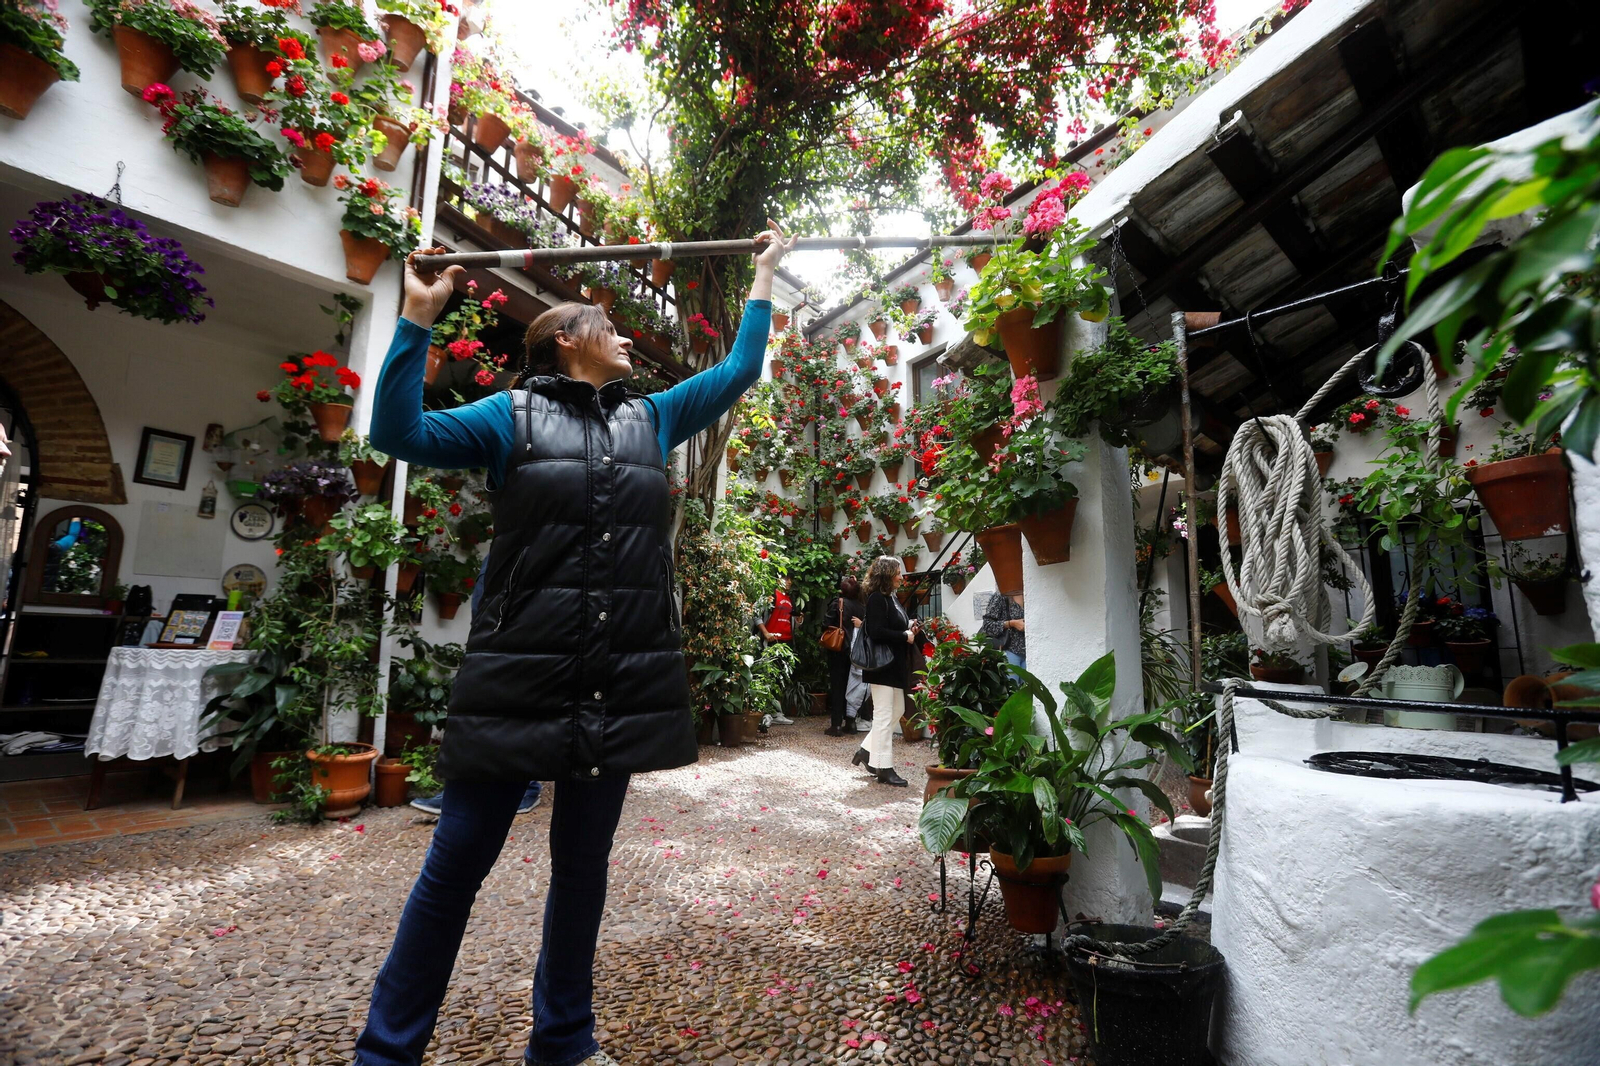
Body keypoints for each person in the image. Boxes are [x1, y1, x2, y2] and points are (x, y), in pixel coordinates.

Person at [352, 221, 796, 1066]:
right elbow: (397, 436)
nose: (625, 336)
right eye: (605, 327)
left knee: (582, 872)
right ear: (563, 342)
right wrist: (417, 319)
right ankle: (386, 1052)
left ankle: (562, 1043)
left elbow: (739, 370)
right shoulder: (502, 417)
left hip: (616, 680)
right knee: (455, 870)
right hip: (516, 677)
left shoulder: (654, 419)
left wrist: (764, 274)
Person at [410, 556, 540, 817]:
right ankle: (466, 787)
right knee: (488, 668)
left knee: (515, 671)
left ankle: (524, 786)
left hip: (528, 556)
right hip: (503, 554)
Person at [852, 556, 919, 787]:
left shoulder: (890, 598)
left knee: (896, 710)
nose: (902, 576)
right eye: (898, 572)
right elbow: (876, 631)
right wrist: (904, 636)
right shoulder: (877, 599)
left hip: (893, 666)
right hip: (882, 667)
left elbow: (893, 624)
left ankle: (866, 751)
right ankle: (884, 768)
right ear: (888, 574)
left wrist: (909, 627)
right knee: (882, 716)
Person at [823, 576, 865, 737]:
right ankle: (851, 722)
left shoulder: (837, 603)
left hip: (839, 650)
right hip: (856, 652)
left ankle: (836, 725)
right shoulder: (861, 607)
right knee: (853, 685)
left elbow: (826, 624)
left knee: (838, 686)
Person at [755, 574, 797, 725]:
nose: (789, 581)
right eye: (787, 579)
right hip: (771, 642)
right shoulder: (771, 595)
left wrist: (798, 621)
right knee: (768, 676)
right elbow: (756, 614)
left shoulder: (789, 598)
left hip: (786, 643)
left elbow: (789, 620)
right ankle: (766, 712)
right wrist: (765, 633)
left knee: (781, 678)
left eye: (789, 579)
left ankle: (777, 712)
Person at [982, 591, 1026, 670]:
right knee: (1012, 682)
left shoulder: (1030, 590)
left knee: (1030, 682)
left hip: (1030, 652)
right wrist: (1011, 623)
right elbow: (987, 625)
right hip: (1009, 651)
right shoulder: (1001, 595)